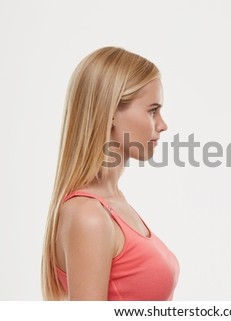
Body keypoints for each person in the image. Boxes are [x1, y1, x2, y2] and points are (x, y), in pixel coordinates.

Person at [41, 47, 179, 300]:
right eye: (152, 110)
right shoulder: (89, 214)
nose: (162, 124)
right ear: (111, 112)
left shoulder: (114, 204)